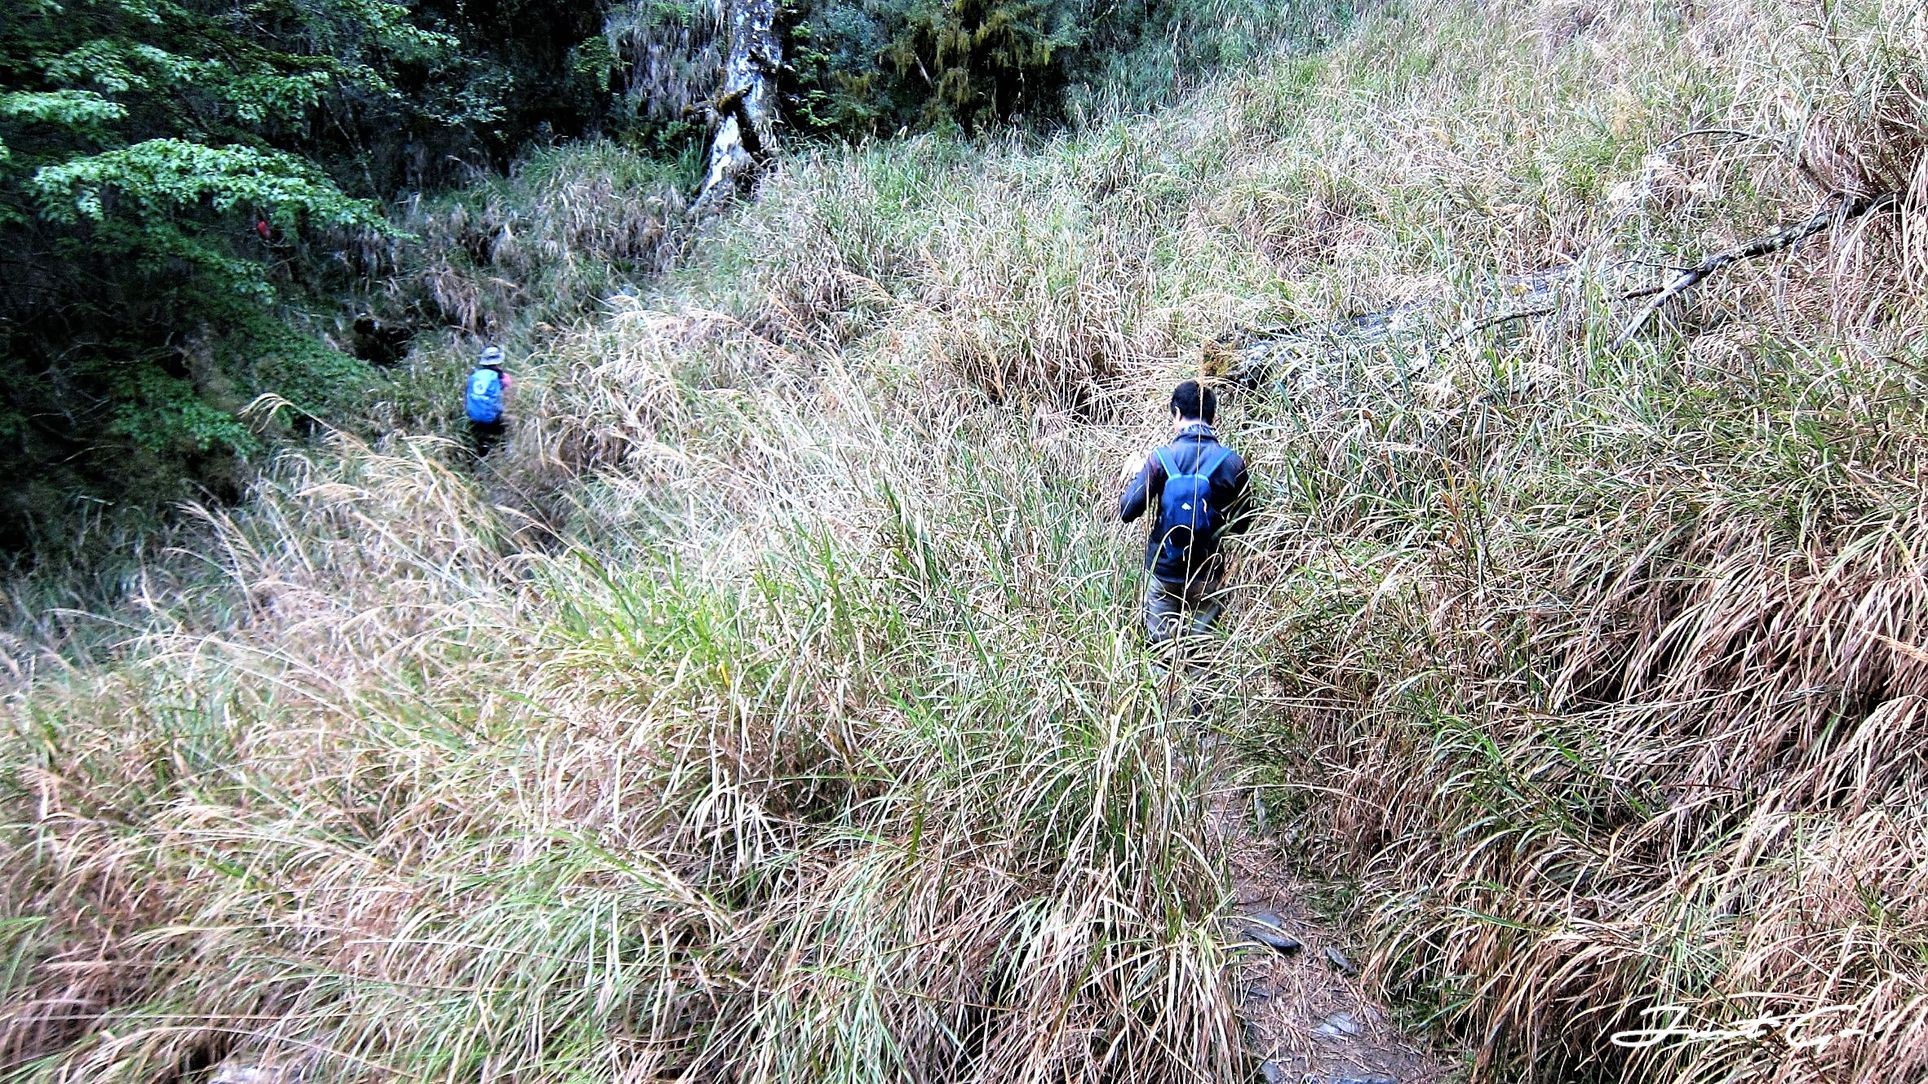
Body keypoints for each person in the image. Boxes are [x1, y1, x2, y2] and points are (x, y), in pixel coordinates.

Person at [1118, 379, 1253, 652]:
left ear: (1176, 413)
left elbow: (1127, 510)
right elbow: (1243, 525)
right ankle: (1199, 694)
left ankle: (1166, 692)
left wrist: (1138, 473)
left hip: (1164, 570)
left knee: (1161, 655)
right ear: (1214, 417)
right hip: (1207, 572)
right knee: (1203, 657)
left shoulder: (1161, 459)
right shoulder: (1231, 462)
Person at [465, 345, 513, 459]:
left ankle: (479, 461)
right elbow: (509, 393)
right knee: (500, 439)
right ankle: (502, 458)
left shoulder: (474, 376)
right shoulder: (501, 377)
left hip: (474, 417)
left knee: (480, 444)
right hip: (492, 419)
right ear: (498, 362)